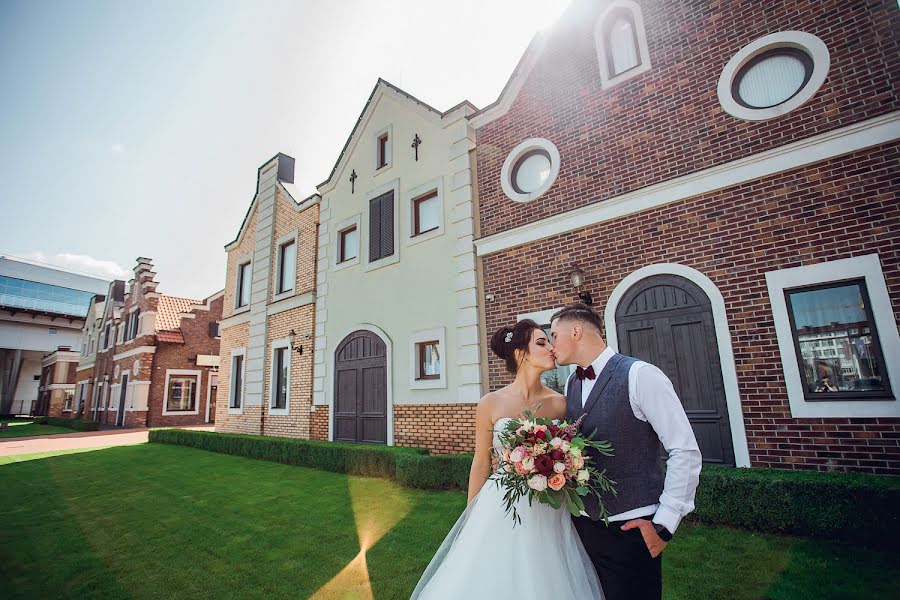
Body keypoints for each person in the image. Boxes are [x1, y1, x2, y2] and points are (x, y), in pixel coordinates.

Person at [411, 319, 605, 599]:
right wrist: (470, 515)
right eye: (541, 342)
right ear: (520, 354)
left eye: (549, 341)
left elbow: (573, 449)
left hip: (549, 508)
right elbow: (480, 461)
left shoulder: (560, 403)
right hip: (501, 503)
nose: (551, 348)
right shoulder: (490, 403)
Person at [550, 302, 702, 600]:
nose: (552, 344)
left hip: (631, 530)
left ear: (576, 331)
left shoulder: (641, 375)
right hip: (582, 527)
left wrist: (665, 525)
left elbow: (684, 450)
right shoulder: (571, 382)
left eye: (554, 335)